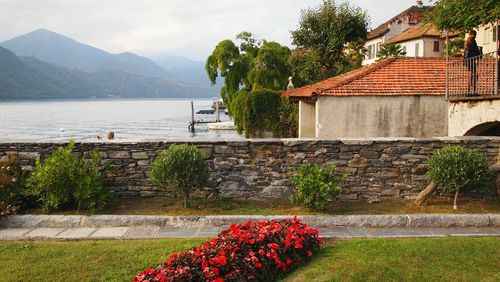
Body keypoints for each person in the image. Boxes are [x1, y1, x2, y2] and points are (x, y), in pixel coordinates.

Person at [463, 30, 482, 96]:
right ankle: (473, 91)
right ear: (474, 35)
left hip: (467, 61)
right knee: (474, 76)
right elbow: (474, 51)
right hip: (471, 60)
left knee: (470, 76)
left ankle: (469, 91)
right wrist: (479, 55)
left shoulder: (467, 41)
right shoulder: (472, 41)